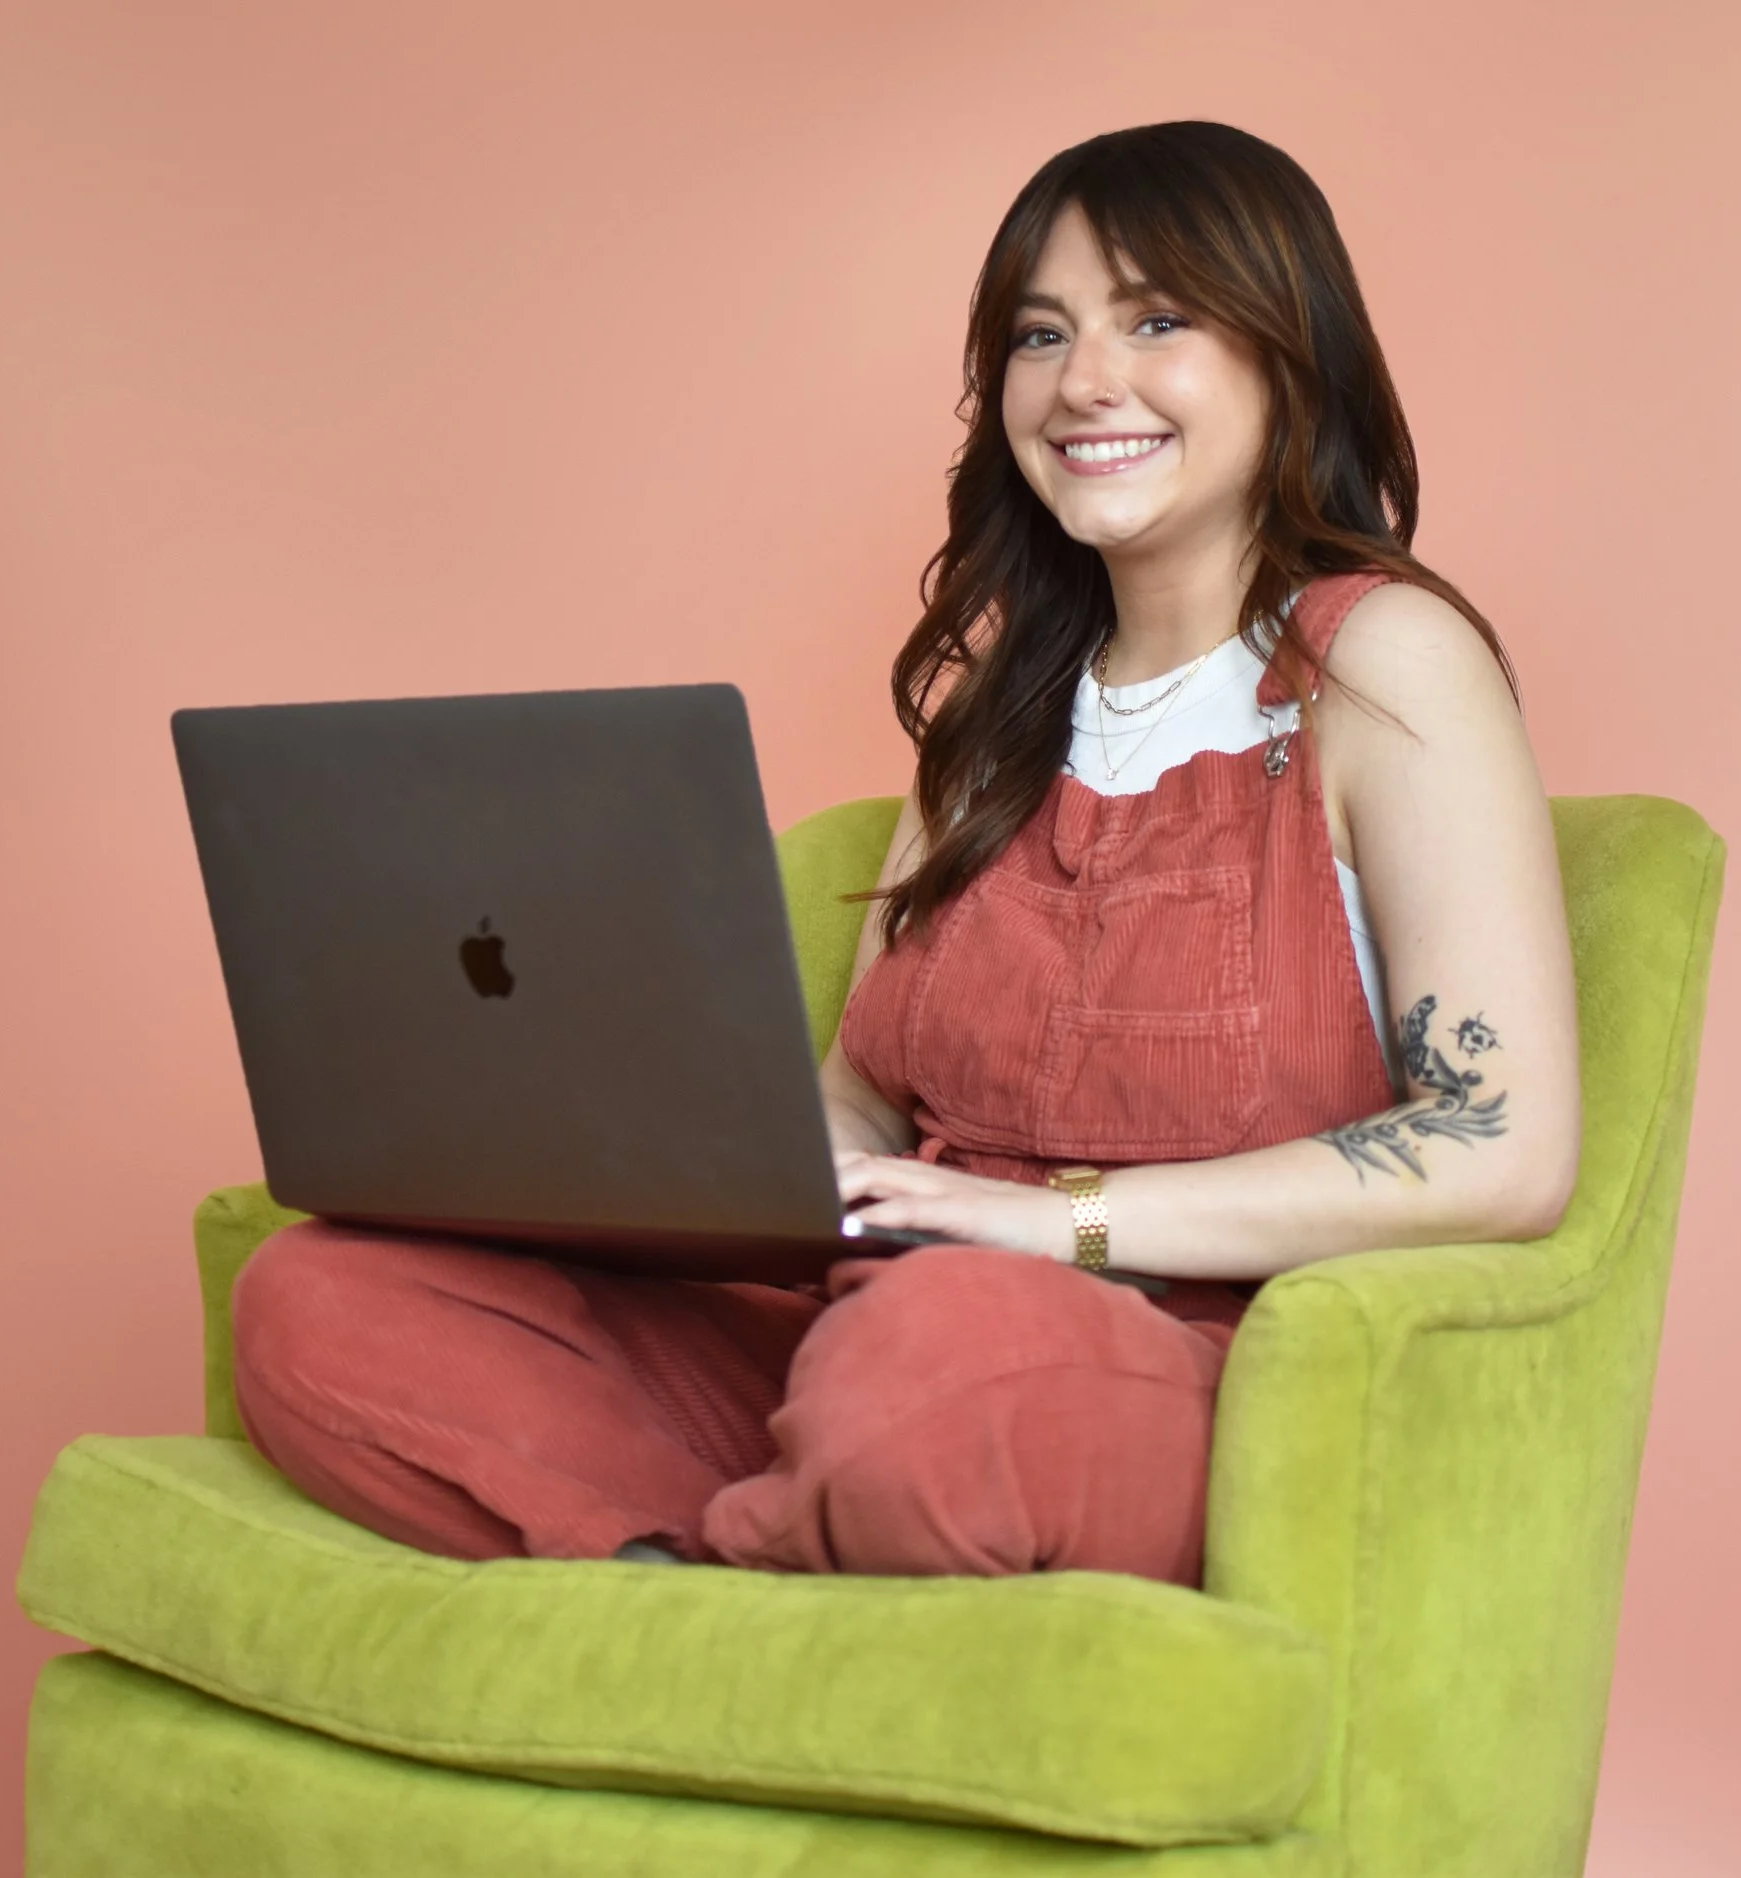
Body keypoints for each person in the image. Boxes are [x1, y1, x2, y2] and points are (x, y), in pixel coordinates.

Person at [228, 121, 1581, 1590]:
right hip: (872, 1324)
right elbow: (869, 1095)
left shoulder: (1386, 662)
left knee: (938, 1368)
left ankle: (749, 1540)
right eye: (1041, 333)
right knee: (317, 1297)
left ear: (1288, 353)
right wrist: (786, 1167)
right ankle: (735, 1572)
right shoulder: (998, 709)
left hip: (1152, 1364)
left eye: (1157, 319)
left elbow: (1502, 1148)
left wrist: (1052, 1226)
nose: (1085, 383)